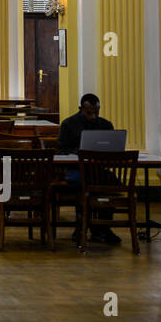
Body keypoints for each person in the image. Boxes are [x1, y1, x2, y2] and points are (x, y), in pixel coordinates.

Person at [58, 93, 120, 245]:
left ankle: (103, 228)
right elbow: (61, 150)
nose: (93, 116)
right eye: (89, 113)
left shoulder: (105, 125)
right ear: (81, 109)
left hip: (97, 169)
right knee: (84, 184)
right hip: (75, 170)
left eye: (96, 112)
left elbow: (112, 149)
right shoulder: (68, 124)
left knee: (112, 183)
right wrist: (76, 151)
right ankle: (81, 228)